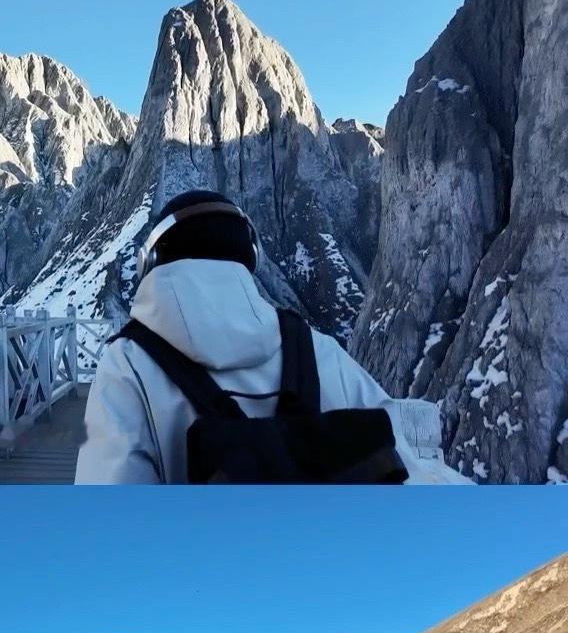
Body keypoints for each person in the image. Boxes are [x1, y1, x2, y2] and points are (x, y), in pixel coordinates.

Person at [75, 190, 468, 485]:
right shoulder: (316, 349)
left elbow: (108, 521)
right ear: (251, 257)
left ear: (152, 261)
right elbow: (410, 462)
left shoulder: (125, 364)